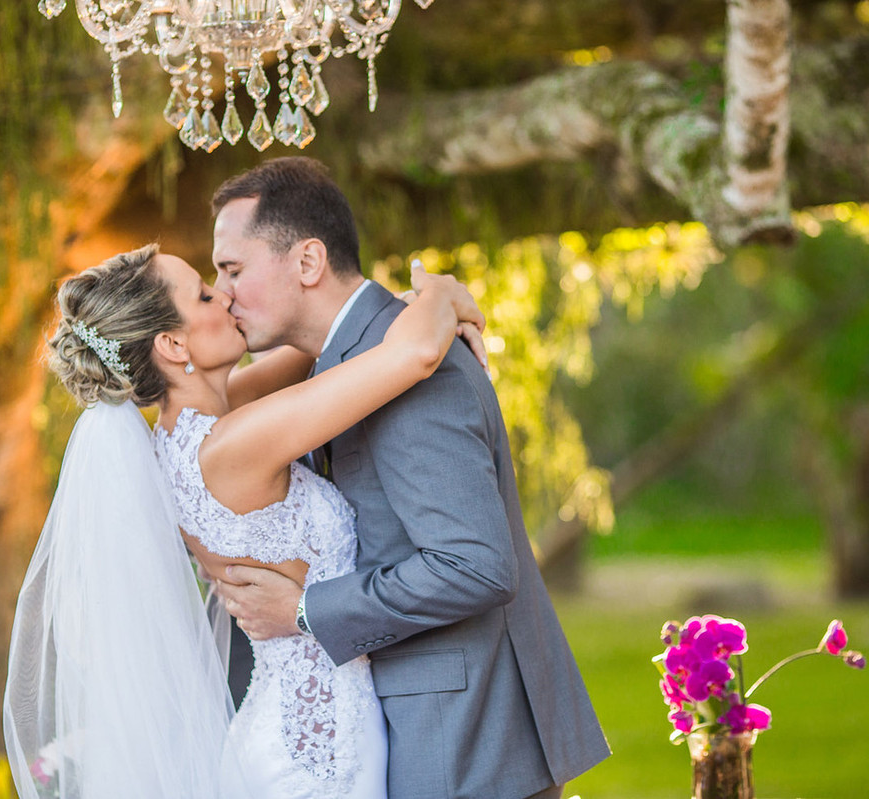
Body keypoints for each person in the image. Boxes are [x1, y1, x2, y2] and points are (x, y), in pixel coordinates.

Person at [3, 242, 485, 798]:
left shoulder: (186, 435)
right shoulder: (232, 447)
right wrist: (443, 291)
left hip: (295, 723)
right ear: (172, 342)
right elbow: (417, 354)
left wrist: (399, 304)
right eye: (206, 294)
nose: (225, 293)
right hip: (317, 750)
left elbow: (325, 346)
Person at [209, 157, 611, 799]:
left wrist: (306, 611)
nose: (222, 293)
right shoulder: (358, 358)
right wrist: (437, 294)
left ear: (307, 262)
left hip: (462, 740)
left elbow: (475, 564)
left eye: (232, 270)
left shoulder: (411, 366)